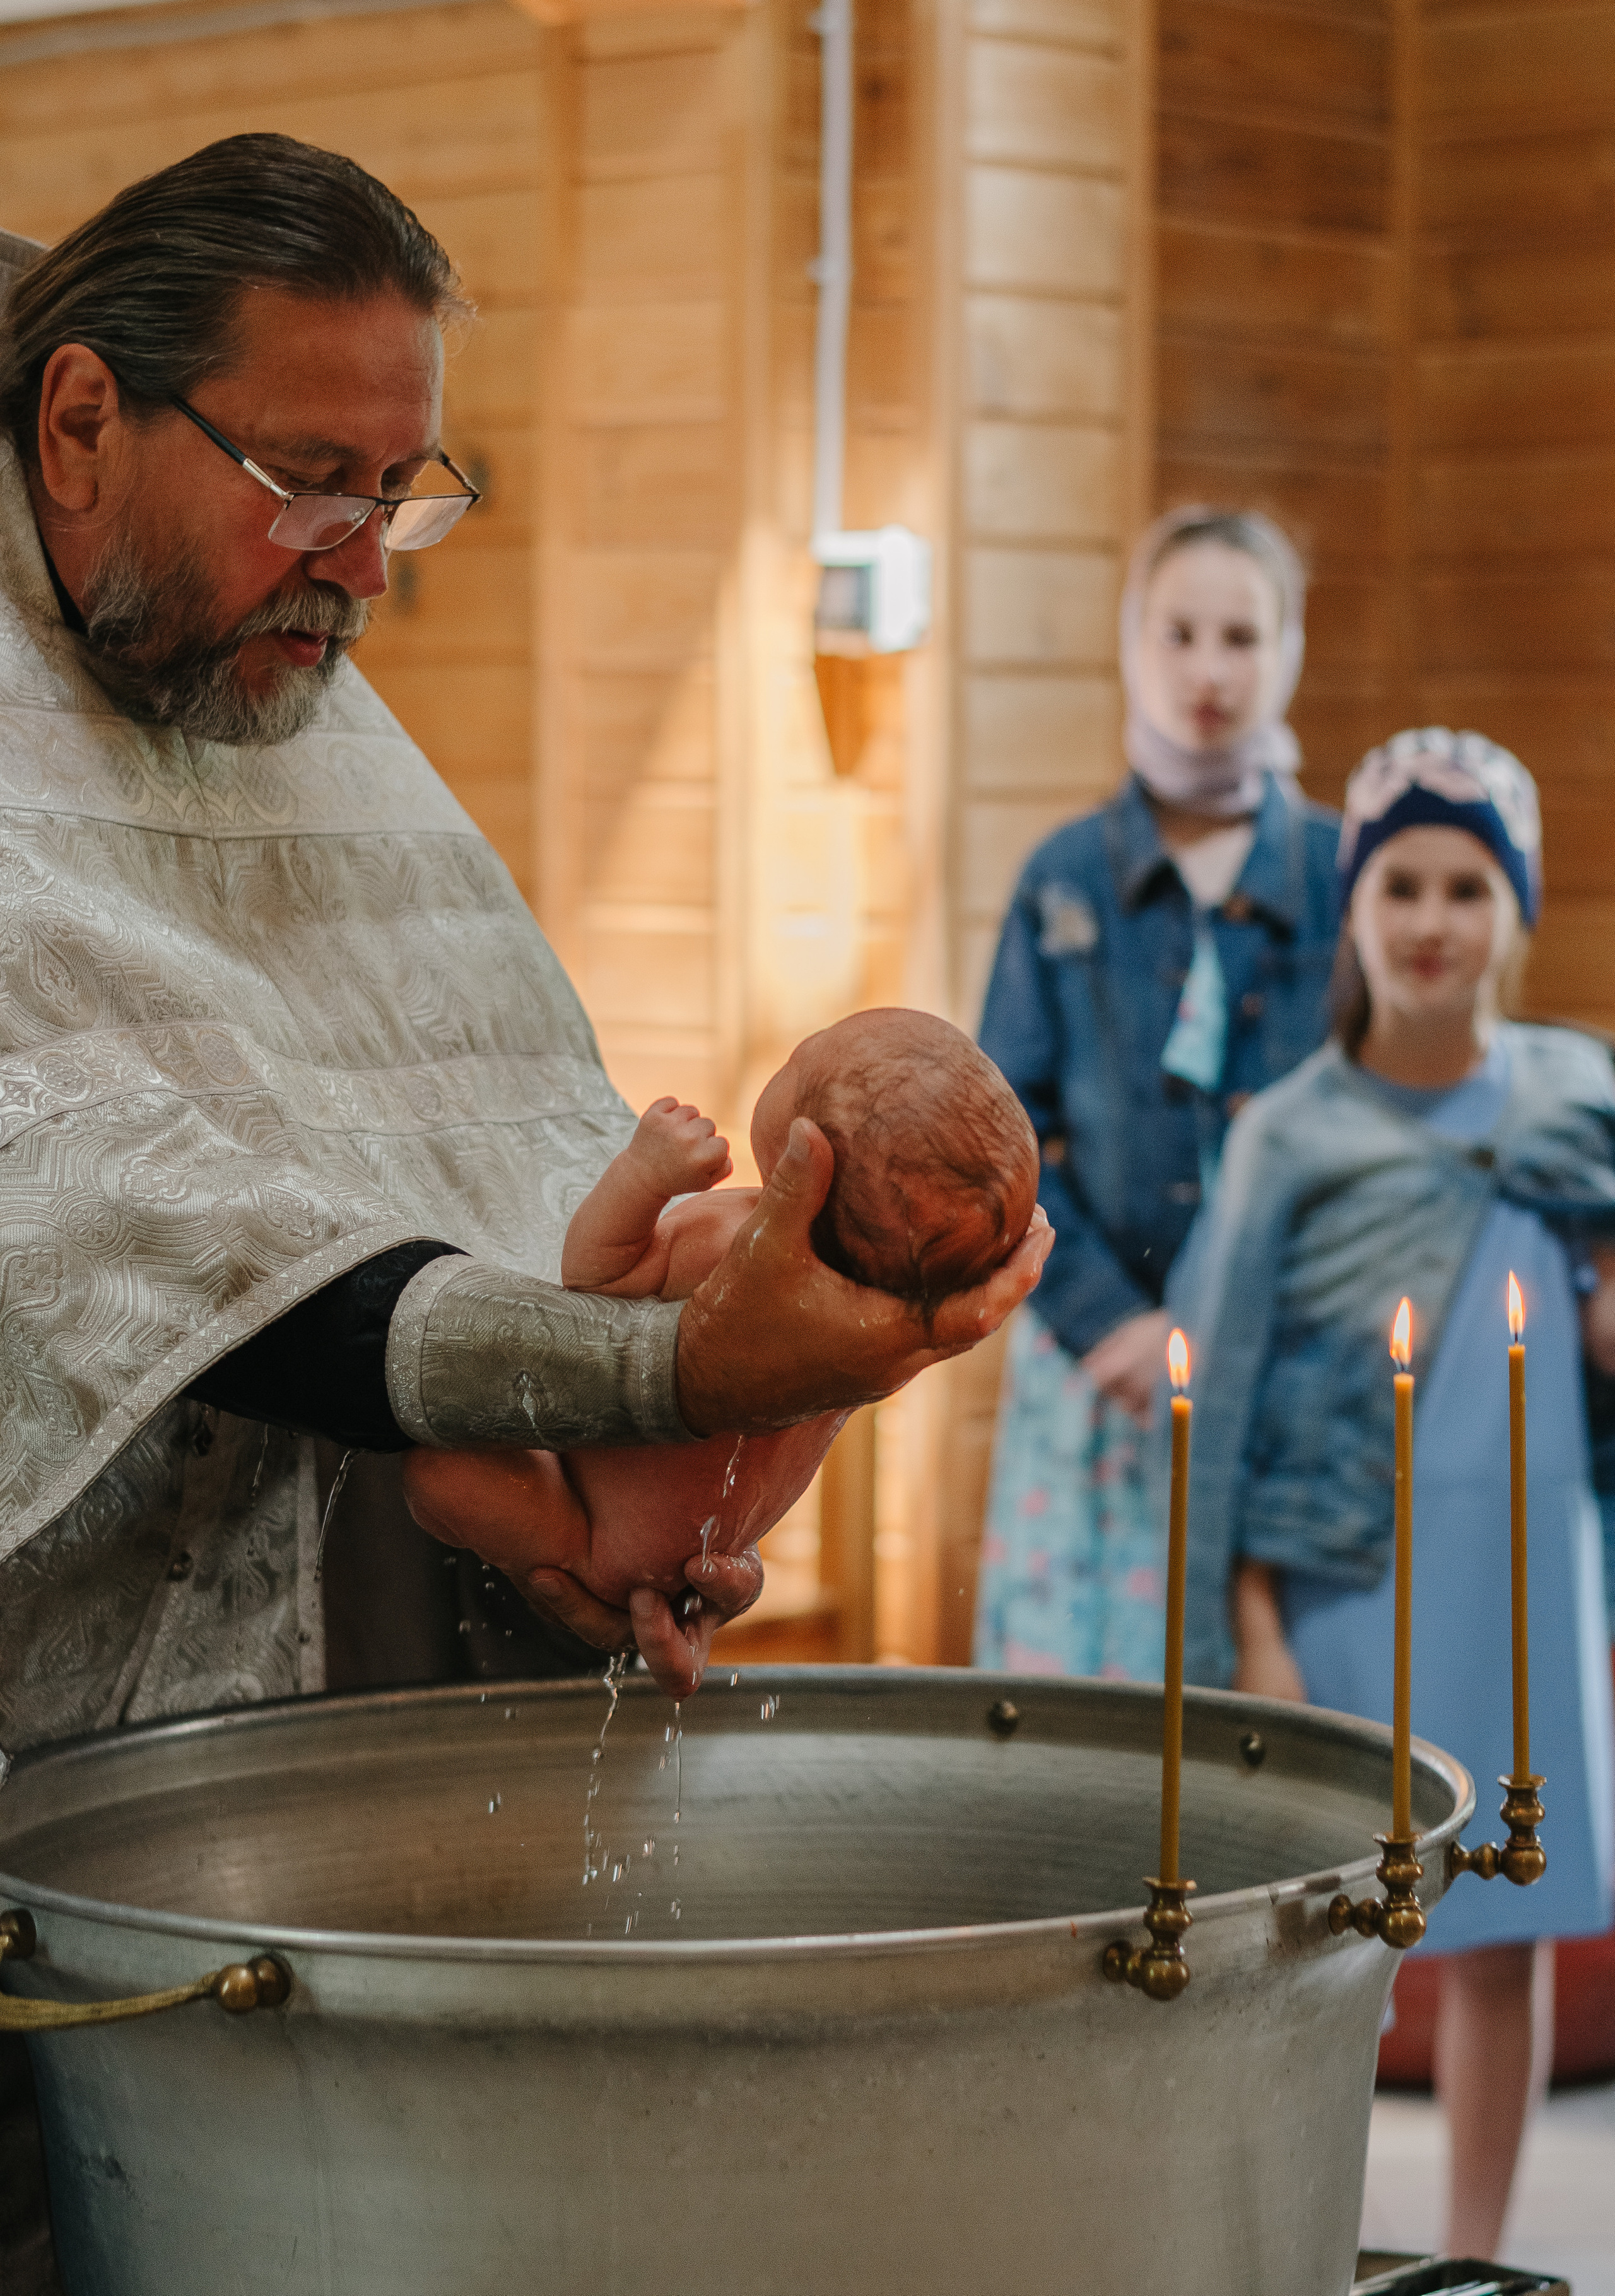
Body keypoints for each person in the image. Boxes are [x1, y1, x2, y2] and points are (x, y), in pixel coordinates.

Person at [0, 139, 1048, 2295]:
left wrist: (618, 1449)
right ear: (82, 417)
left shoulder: (274, 658)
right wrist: (656, 1366)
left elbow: (456, 1148)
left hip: (319, 1811)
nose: (366, 568)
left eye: (405, 493)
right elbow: (121, 1221)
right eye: (315, 479)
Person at [1175, 728, 1615, 2259]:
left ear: (1517, 908)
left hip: (1522, 1565)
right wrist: (1246, 1628)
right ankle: (1315, 2247)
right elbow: (1213, 1404)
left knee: (1502, 1922)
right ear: (1354, 907)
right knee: (1337, 1932)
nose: (1432, 920)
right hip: (1347, 1571)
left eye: (1467, 885)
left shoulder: (1575, 1092)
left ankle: (1480, 2257)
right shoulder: (1288, 1132)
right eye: (1400, 885)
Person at [973, 507, 1339, 1678]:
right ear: (1132, 642)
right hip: (1101, 1373)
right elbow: (1000, 1139)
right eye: (1179, 633)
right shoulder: (1063, 877)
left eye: (1243, 636)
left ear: (1290, 651)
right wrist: (1107, 1319)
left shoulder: (1345, 875)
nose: (1209, 670)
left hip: (1295, 1372)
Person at [407, 1010, 1040, 1600]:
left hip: (605, 1535)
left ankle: (570, 1556)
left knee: (439, 1470)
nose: (787, 1060)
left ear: (806, 1151)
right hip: (709, 1552)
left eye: (798, 1062)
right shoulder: (863, 1331)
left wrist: (643, 1174)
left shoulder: (727, 1250)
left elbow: (594, 1276)